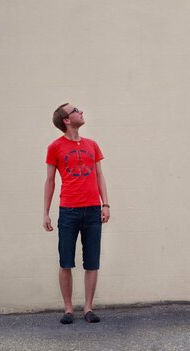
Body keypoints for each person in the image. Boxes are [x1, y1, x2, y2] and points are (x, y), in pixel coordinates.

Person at [43, 103, 110, 324]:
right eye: (75, 110)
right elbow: (51, 180)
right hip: (69, 210)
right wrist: (46, 212)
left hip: (92, 210)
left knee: (92, 261)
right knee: (66, 261)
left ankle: (88, 308)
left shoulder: (92, 145)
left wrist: (105, 204)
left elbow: (99, 175)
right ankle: (69, 309)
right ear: (66, 120)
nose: (81, 111)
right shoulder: (55, 147)